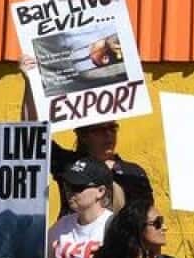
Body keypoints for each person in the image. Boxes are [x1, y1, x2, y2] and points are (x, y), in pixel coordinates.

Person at [18, 56, 153, 217]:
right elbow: (33, 135)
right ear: (83, 135)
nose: (109, 134)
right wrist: (31, 82)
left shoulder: (134, 173)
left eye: (112, 128)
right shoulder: (69, 164)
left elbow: (147, 220)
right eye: (100, 129)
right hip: (73, 240)